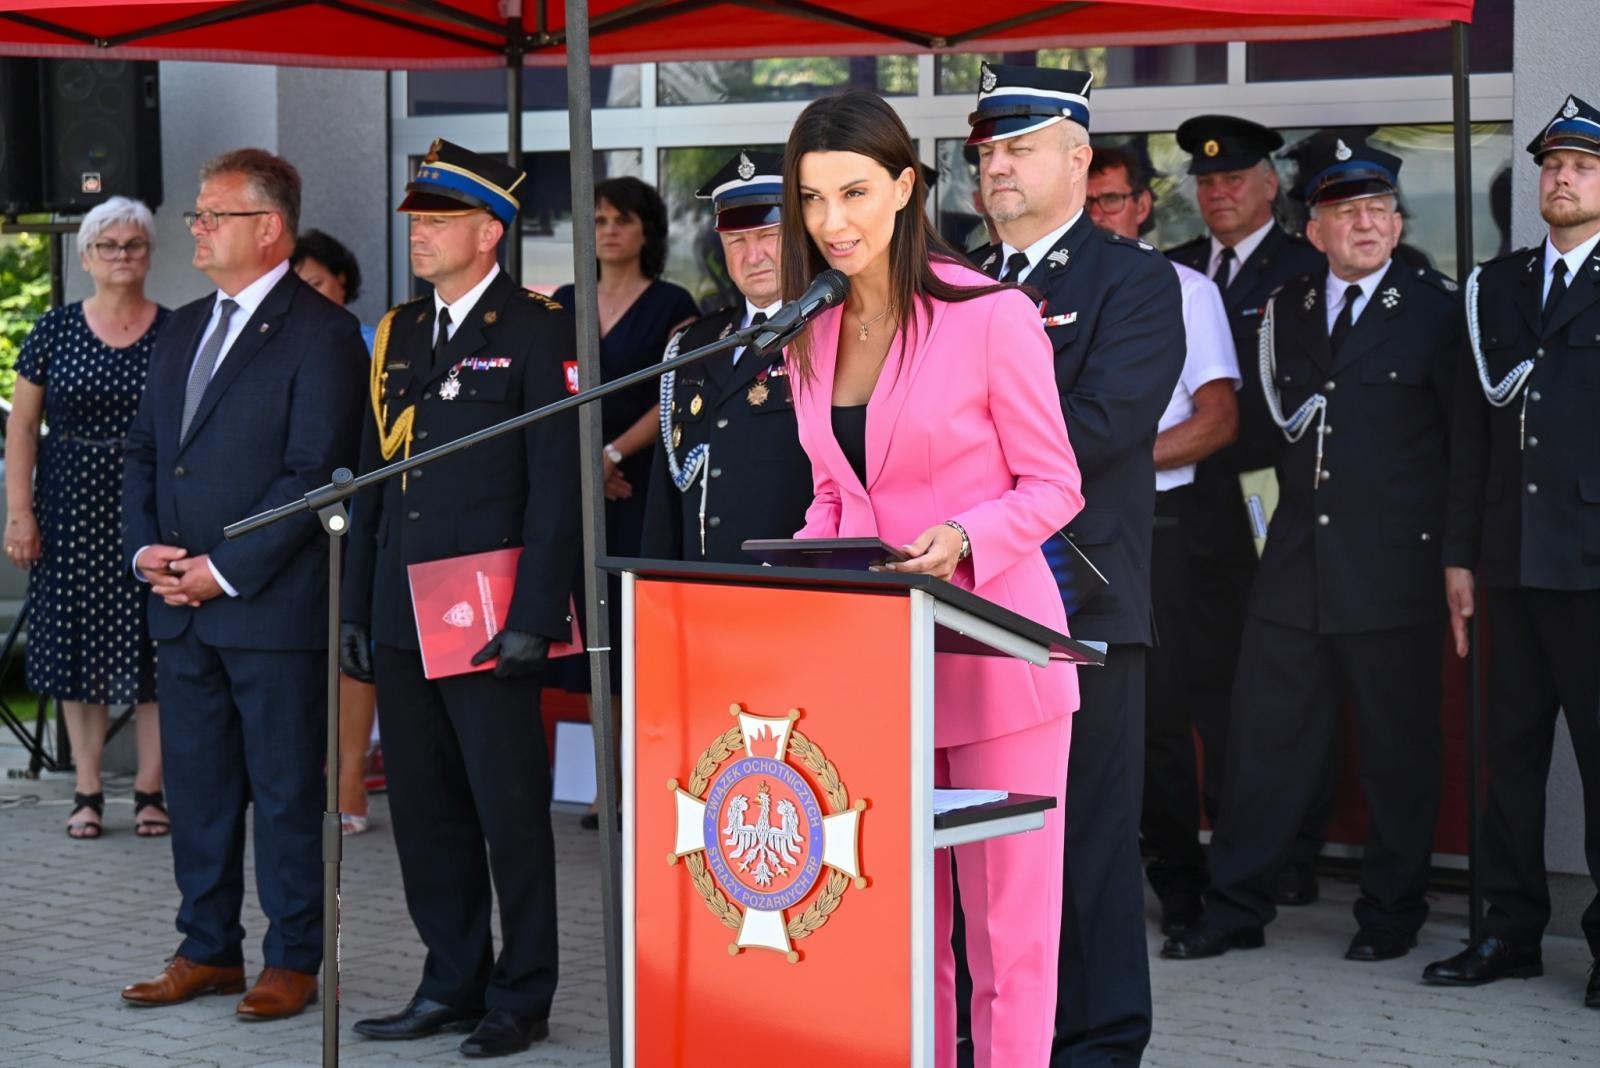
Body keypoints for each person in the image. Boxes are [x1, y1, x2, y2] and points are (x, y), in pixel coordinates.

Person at [781, 88, 1082, 1068]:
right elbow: (835, 499)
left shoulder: (988, 316)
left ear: (907, 188)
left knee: (1008, 940)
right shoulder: (810, 333)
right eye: (813, 199)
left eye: (855, 192)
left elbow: (1054, 484)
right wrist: (788, 572)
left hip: (998, 663)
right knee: (904, 936)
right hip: (882, 675)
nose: (833, 222)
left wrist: (964, 534)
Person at [1161, 133, 1458, 964]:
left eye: (1378, 210)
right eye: (1344, 212)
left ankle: (1391, 912)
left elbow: (1463, 448)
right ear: (1315, 229)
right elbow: (1257, 431)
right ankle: (1235, 907)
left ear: (1398, 226)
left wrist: (1457, 560)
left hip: (1394, 567)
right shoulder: (1284, 309)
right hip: (1292, 563)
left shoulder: (1434, 311)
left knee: (1398, 752)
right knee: (1262, 745)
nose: (1364, 224)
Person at [965, 65, 1185, 1066]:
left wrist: (955, 479)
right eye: (985, 151)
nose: (996, 166)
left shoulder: (1132, 280)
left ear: (1076, 159)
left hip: (1075, 597)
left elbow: (1101, 427)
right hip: (964, 599)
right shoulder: (955, 279)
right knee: (977, 842)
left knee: (1085, 844)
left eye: (1016, 148)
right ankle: (989, 1031)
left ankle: (1095, 1045)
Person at [341, 139, 580, 1057]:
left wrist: (533, 616)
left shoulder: (538, 328)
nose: (420, 236)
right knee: (427, 810)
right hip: (404, 609)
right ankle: (450, 981)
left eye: (438, 222)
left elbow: (557, 486)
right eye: (416, 222)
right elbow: (372, 476)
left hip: (489, 615)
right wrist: (361, 607)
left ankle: (522, 995)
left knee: (509, 811)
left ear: (491, 232)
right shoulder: (400, 332)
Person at [119, 149, 367, 1019]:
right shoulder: (180, 327)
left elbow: (315, 472)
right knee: (199, 786)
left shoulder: (323, 332)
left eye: (213, 215)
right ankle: (206, 947)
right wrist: (146, 547)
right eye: (196, 213)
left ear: (269, 228)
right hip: (180, 607)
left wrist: (219, 571)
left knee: (289, 790)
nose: (196, 227)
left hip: (268, 608)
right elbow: (148, 452)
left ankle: (295, 956)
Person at [1427, 93, 1600, 1009]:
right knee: (1505, 762)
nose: (1561, 178)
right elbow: (1471, 434)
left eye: (1581, 166)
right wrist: (1460, 556)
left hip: (1593, 565)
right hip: (1507, 560)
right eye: (1551, 165)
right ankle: (1507, 932)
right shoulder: (1495, 287)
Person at [1166, 114, 1332, 907]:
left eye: (1234, 179)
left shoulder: (1305, 265)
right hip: (1191, 511)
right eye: (1206, 182)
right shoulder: (1174, 272)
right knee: (1204, 681)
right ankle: (1228, 837)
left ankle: (1295, 848)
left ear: (1271, 185)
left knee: (1279, 685)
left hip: (1276, 501)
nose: (1219, 192)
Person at [1084, 145, 1241, 937]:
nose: (1099, 214)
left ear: (1145, 206)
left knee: (1159, 714)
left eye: (1113, 200)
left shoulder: (1185, 288)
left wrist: (1115, 460)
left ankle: (1181, 883)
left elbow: (1217, 419)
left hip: (1156, 525)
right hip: (1059, 526)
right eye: (1090, 201)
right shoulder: (1041, 291)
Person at [5, 196, 167, 840]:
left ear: (149, 255)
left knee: (155, 646)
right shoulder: (54, 330)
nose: (122, 256)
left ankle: (153, 788)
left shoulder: (177, 329)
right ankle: (88, 788)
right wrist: (20, 513)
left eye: (133, 245)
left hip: (149, 502)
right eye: (109, 245)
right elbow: (21, 427)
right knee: (77, 651)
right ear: (85, 257)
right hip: (68, 504)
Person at [552, 176, 695, 828]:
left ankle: (647, 786)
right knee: (594, 646)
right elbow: (550, 392)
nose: (609, 230)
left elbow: (674, 389)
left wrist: (609, 456)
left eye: (621, 219)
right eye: (599, 218)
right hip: (583, 492)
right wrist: (584, 464)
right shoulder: (563, 302)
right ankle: (604, 790)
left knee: (640, 642)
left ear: (646, 230)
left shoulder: (673, 303)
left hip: (641, 489)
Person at [640, 150, 813, 563]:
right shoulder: (693, 344)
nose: (752, 256)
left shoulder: (828, 330)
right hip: (704, 587)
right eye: (737, 240)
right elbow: (665, 498)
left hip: (795, 588)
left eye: (768, 235)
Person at [291, 227, 381, 836]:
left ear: (343, 284)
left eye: (318, 283)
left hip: (359, 512)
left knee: (353, 653)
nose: (308, 295)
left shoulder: (374, 341)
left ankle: (350, 784)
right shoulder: (275, 347)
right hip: (294, 521)